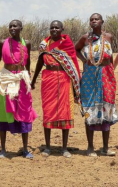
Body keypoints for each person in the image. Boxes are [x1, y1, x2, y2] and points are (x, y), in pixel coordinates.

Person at [31, 20, 81, 158]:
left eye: (57, 28)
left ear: (62, 29)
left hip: (65, 79)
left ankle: (64, 148)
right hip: (48, 79)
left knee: (65, 111)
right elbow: (40, 63)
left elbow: (74, 64)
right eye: (52, 27)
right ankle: (47, 147)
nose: (54, 30)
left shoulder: (67, 44)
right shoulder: (44, 45)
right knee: (48, 111)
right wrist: (34, 80)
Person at [0, 20, 37, 159]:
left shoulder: (26, 43)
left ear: (21, 28)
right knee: (4, 111)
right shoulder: (2, 43)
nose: (12, 28)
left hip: (21, 79)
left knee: (24, 110)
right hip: (6, 79)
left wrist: (29, 78)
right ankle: (3, 149)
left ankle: (25, 149)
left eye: (15, 26)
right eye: (10, 26)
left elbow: (27, 62)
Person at [75, 13, 118, 157]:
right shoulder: (85, 38)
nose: (94, 21)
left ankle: (105, 148)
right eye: (91, 19)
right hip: (90, 76)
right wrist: (84, 60)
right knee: (90, 108)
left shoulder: (109, 37)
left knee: (107, 109)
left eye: (96, 19)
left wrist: (112, 73)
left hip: (107, 74)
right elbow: (76, 50)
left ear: (102, 21)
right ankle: (90, 147)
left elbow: (110, 56)